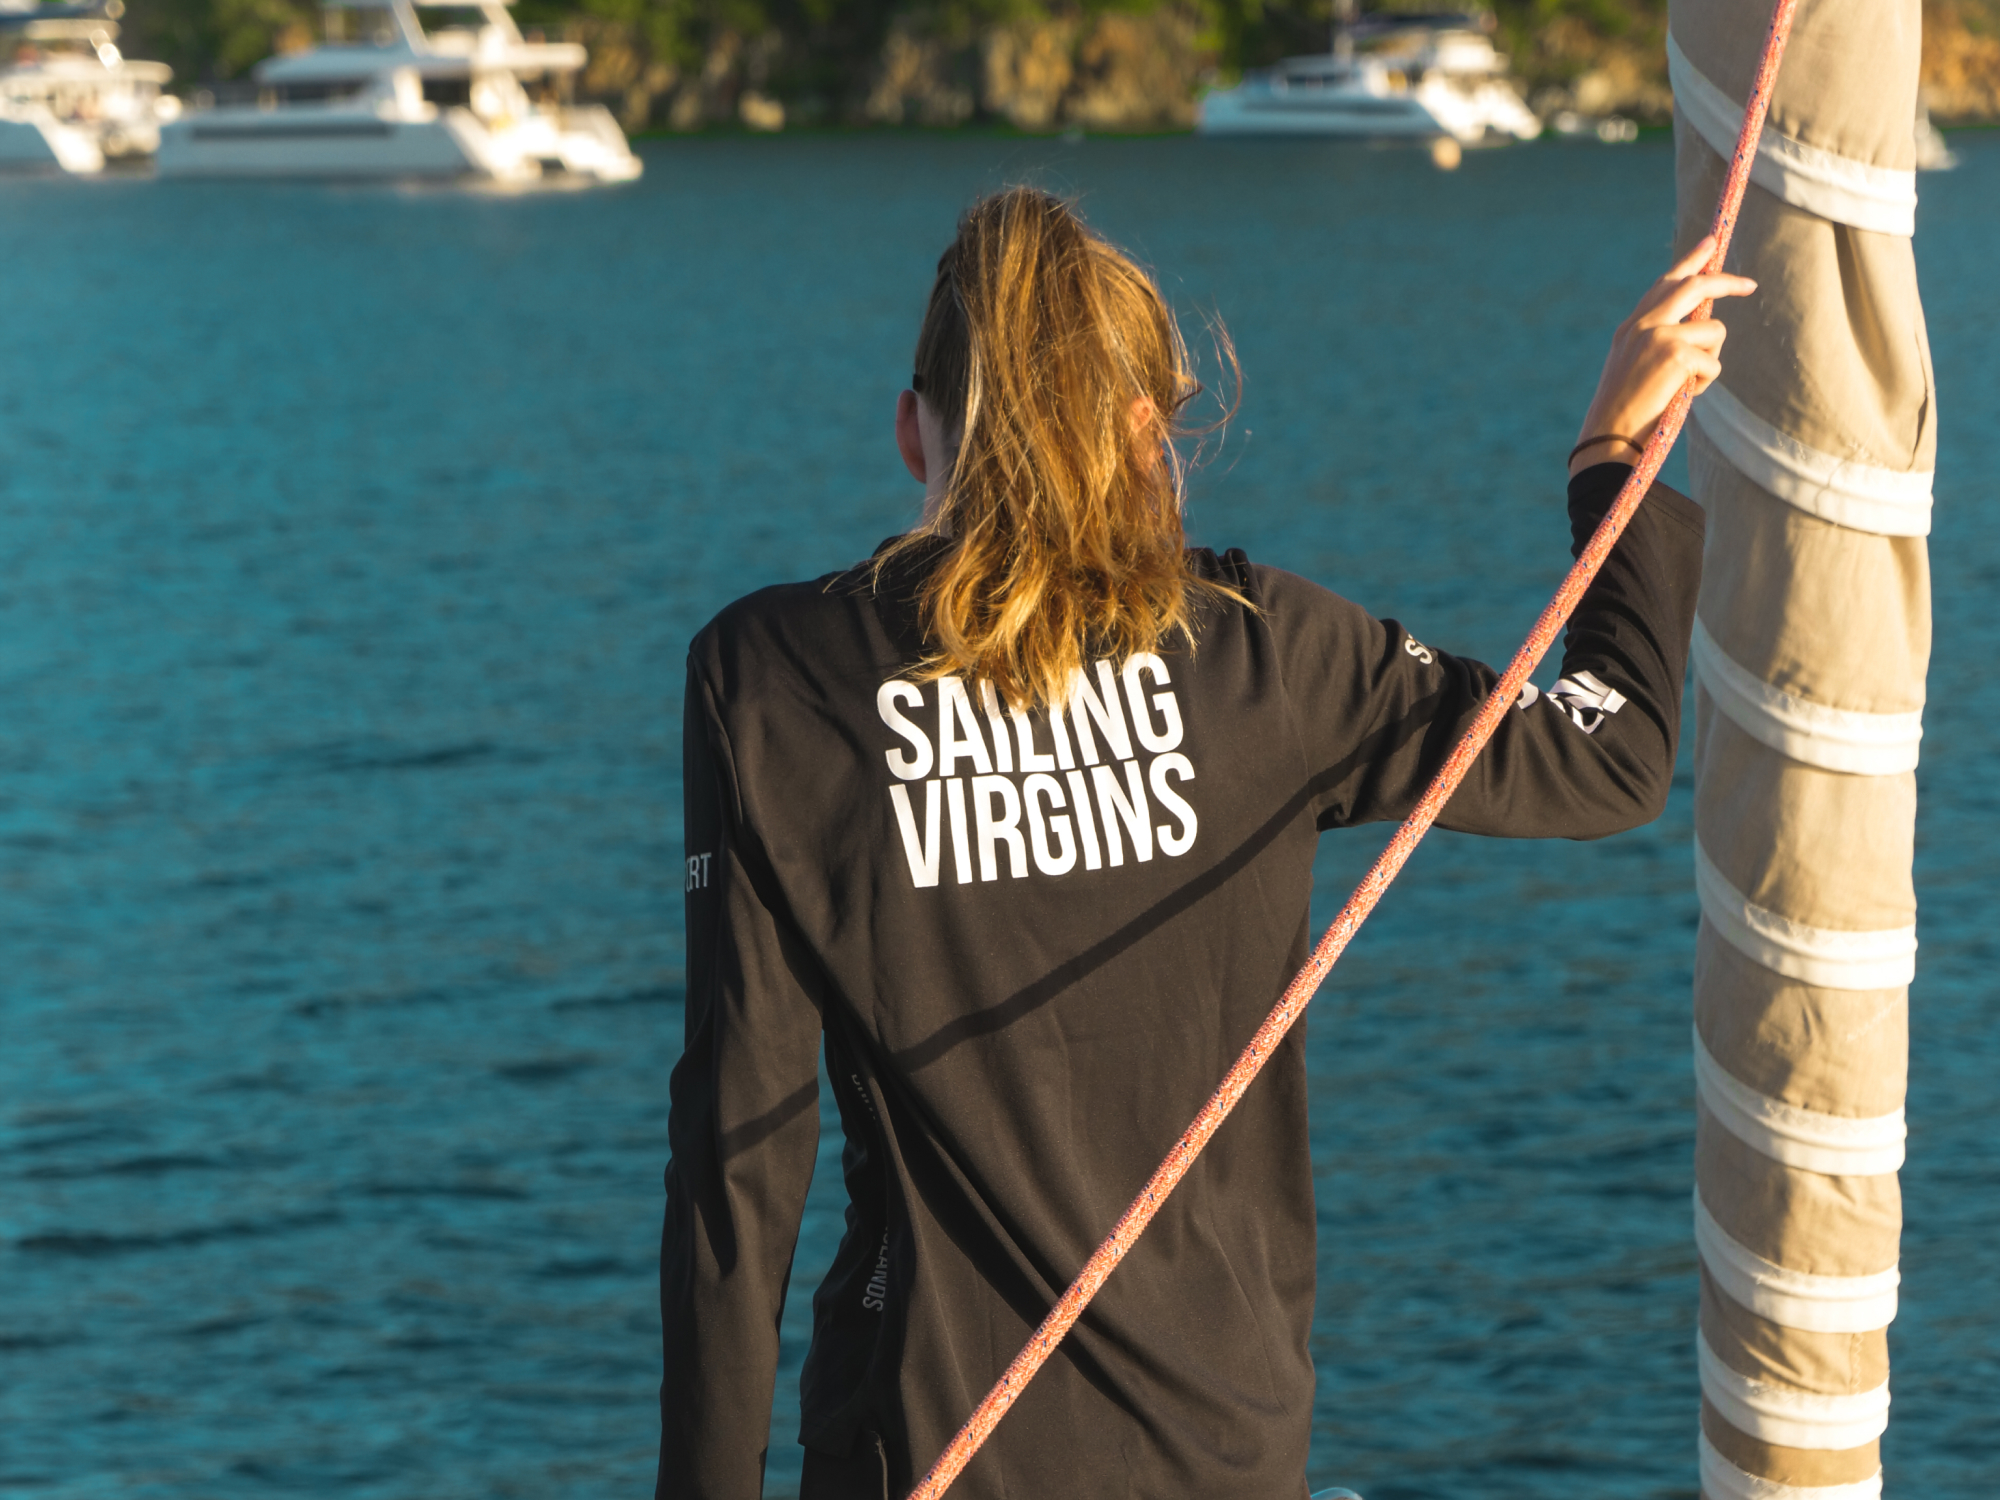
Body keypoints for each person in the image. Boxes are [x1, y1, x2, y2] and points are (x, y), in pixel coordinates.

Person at [659, 187, 1752, 1500]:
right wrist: (1614, 452)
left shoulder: (773, 684)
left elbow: (740, 1161)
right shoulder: (1267, 654)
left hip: (924, 1451)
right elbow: (1608, 750)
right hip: (1228, 1457)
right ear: (1144, 435)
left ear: (915, 432)